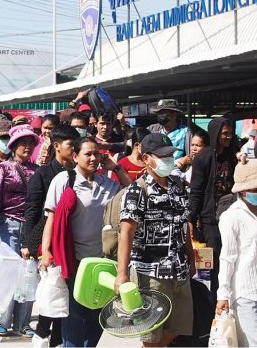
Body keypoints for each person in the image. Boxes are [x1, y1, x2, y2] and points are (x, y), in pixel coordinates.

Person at [39, 137, 132, 347]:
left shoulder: (108, 184)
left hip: (102, 261)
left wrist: (117, 168)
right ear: (75, 157)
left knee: (97, 315)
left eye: (96, 154)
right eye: (87, 154)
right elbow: (51, 218)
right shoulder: (64, 180)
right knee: (74, 314)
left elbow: (135, 194)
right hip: (73, 259)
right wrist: (46, 251)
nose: (93, 158)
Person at [116, 133, 194, 347]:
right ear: (146, 158)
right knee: (151, 335)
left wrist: (191, 258)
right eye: (162, 155)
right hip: (151, 274)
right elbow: (126, 233)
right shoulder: (136, 190)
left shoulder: (178, 186)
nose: (168, 159)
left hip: (179, 270)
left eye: (170, 154)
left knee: (177, 328)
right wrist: (121, 274)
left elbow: (184, 225)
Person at [23, 124, 80, 348]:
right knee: (54, 290)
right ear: (57, 146)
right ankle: (43, 333)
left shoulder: (78, 174)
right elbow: (32, 211)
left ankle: (56, 338)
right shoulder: (43, 174)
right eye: (70, 145)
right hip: (47, 241)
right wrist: (29, 243)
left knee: (66, 293)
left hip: (72, 240)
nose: (74, 148)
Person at [216, 159, 257, 347]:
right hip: (243, 291)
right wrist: (223, 294)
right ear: (243, 190)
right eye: (256, 189)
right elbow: (227, 257)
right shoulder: (232, 216)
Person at [0, 125, 39, 337]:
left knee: (29, 275)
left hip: (31, 227)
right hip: (7, 224)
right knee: (10, 274)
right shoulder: (3, 169)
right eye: (23, 144)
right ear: (14, 146)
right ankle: (2, 320)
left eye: (30, 144)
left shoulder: (36, 171)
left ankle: (23, 324)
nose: (27, 147)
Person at [189, 117, 237, 297]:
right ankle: (217, 301)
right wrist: (191, 219)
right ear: (215, 134)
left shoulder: (232, 156)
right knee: (216, 263)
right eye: (225, 133)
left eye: (230, 133)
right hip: (211, 220)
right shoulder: (203, 159)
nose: (228, 137)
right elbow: (197, 191)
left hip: (232, 215)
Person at [148, 99, 195, 166]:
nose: (161, 116)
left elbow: (190, 156)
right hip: (158, 170)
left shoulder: (185, 132)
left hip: (178, 172)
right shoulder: (154, 131)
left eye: (163, 113)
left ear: (174, 114)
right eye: (159, 113)